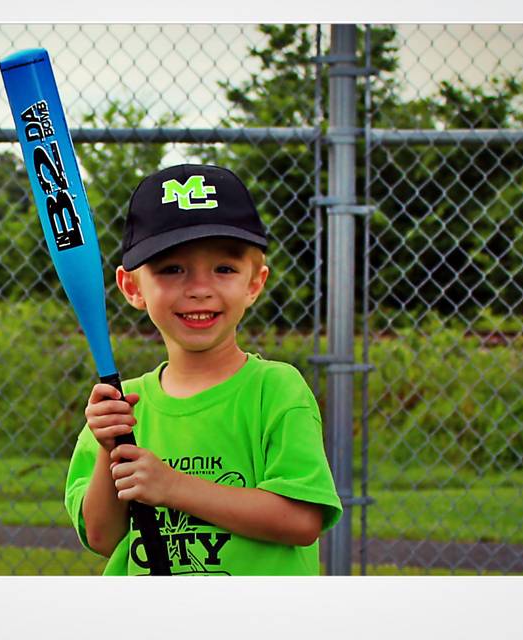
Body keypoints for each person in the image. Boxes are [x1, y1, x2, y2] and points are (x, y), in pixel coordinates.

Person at [64, 164, 342, 576]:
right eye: (171, 269)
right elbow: (104, 538)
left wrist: (174, 487)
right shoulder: (120, 408)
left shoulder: (275, 390)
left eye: (224, 269)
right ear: (132, 288)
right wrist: (110, 451)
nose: (199, 288)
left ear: (254, 283)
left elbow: (302, 522)